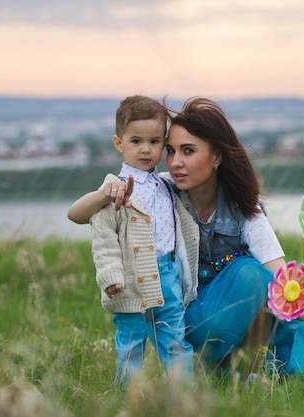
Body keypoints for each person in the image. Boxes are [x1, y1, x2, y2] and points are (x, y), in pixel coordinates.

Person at [68, 97, 304, 385]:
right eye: (170, 150)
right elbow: (79, 214)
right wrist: (106, 192)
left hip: (234, 316)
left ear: (216, 157)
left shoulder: (243, 209)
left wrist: (303, 301)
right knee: (246, 276)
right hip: (186, 313)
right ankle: (216, 367)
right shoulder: (161, 190)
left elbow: (276, 268)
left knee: (253, 276)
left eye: (188, 151)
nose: (176, 162)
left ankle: (247, 368)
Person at [69, 95, 199, 386]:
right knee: (131, 344)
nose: (145, 149)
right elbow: (103, 240)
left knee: (175, 341)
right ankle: (130, 399)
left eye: (154, 142)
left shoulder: (166, 184)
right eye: (136, 141)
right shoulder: (113, 190)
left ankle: (185, 399)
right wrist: (111, 276)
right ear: (119, 143)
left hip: (167, 275)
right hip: (128, 281)